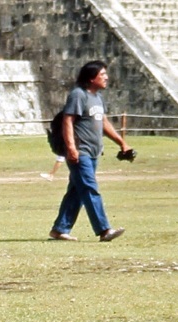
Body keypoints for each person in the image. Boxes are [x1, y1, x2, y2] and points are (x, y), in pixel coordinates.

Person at [49, 59, 129, 242]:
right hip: (80, 151)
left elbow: (103, 122)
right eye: (102, 74)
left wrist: (121, 142)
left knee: (77, 191)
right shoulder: (78, 95)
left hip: (93, 152)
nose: (106, 77)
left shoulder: (97, 98)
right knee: (90, 189)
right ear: (91, 78)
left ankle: (59, 229)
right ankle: (104, 230)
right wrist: (70, 147)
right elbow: (67, 120)